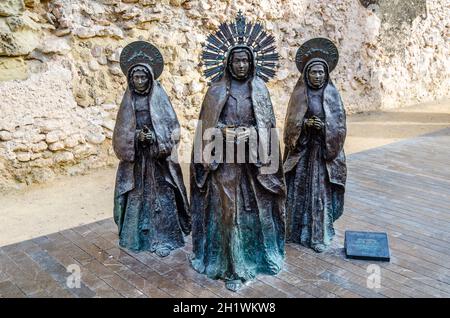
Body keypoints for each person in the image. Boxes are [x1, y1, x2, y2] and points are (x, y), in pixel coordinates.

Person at [190, 13, 285, 292]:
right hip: (225, 161)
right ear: (228, 62)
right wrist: (224, 132)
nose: (241, 65)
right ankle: (230, 266)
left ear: (252, 62)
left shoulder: (261, 90)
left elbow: (267, 127)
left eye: (245, 60)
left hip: (254, 165)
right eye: (236, 60)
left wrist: (251, 134)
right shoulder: (216, 91)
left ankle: (258, 260)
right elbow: (206, 128)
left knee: (256, 211)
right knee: (227, 213)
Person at [112, 41, 190, 257]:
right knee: (137, 198)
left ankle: (166, 238)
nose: (139, 81)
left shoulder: (160, 97)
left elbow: (173, 128)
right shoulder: (127, 101)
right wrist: (137, 136)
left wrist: (156, 137)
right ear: (130, 79)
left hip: (158, 162)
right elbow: (120, 132)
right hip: (137, 162)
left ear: (150, 77)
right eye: (135, 77)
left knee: (162, 197)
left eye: (143, 77)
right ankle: (135, 238)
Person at [283, 38, 347, 253]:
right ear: (307, 74)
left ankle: (318, 235)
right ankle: (294, 232)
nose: (317, 76)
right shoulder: (299, 95)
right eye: (314, 72)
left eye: (321, 72)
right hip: (303, 152)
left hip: (322, 154)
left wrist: (323, 128)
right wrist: (304, 126)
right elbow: (290, 126)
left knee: (319, 194)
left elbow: (339, 127)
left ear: (326, 74)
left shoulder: (333, 95)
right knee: (299, 191)